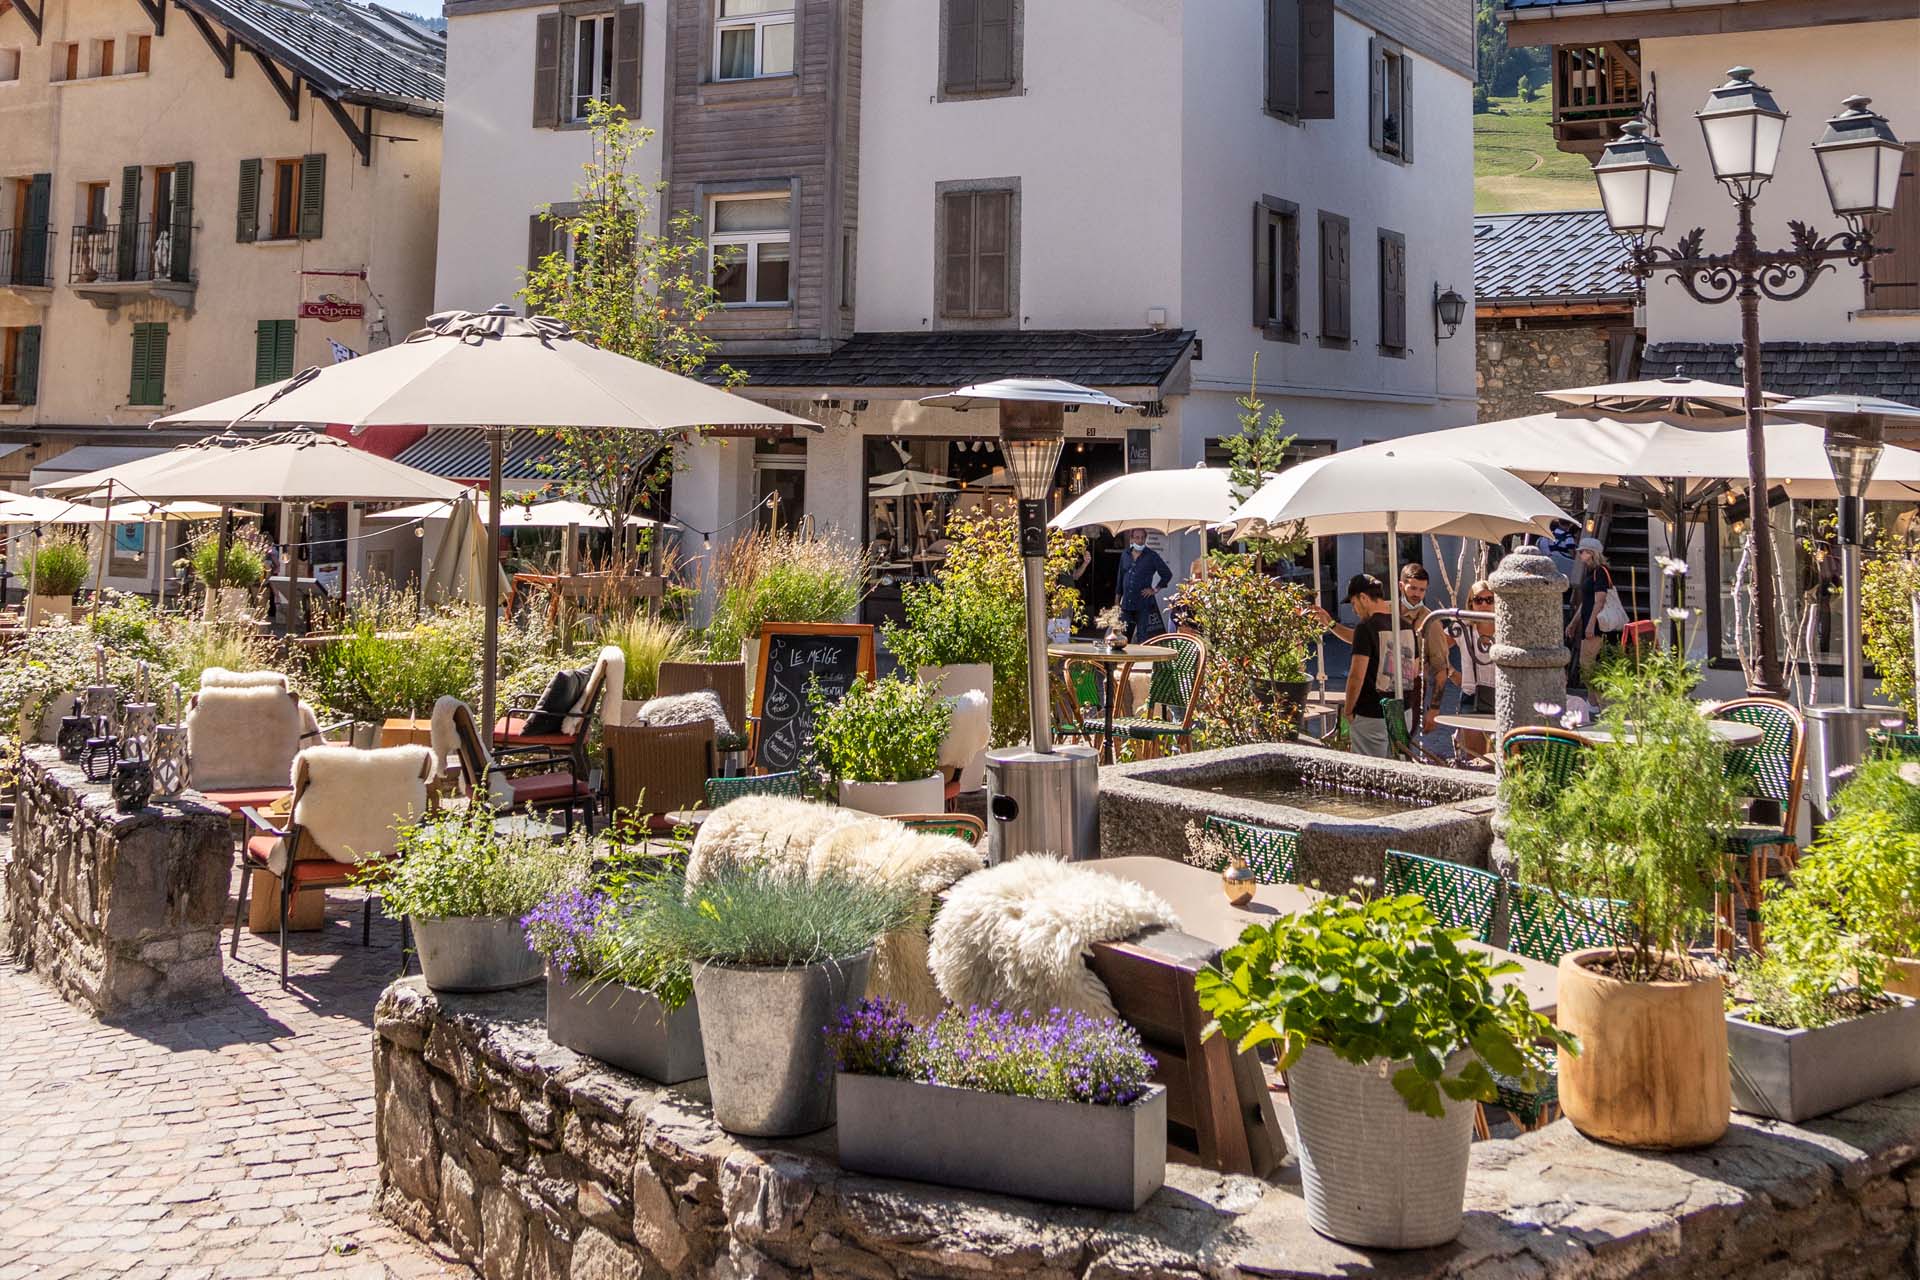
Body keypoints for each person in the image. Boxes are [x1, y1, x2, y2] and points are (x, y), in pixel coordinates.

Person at [1314, 561, 1448, 730]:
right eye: (1413, 588)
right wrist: (1331, 624)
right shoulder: (1385, 609)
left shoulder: (1429, 621)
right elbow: (1360, 639)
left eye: (1422, 590)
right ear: (1401, 586)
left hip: (1410, 689)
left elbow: (1441, 668)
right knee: (1387, 744)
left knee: (1398, 743)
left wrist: (1434, 709)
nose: (1417, 594)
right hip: (1376, 691)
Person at [1340, 574, 1414, 759]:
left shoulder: (1365, 628)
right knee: (1399, 771)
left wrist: (1348, 709)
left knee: (1370, 773)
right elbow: (1415, 669)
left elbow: (1357, 675)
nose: (1354, 610)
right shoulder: (1405, 625)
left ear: (1363, 598)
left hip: (1371, 712)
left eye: (1354, 603)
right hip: (1402, 710)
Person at [1446, 579, 1499, 759]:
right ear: (1471, 603)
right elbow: (1436, 649)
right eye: (1478, 600)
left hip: (1501, 696)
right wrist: (1451, 672)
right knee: (1475, 757)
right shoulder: (1462, 628)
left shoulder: (1506, 630)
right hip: (1471, 695)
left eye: (1489, 600)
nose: (1484, 604)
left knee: (1497, 757)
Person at [1568, 537, 1619, 688]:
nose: (1580, 555)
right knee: (1588, 664)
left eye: (1582, 551)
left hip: (1596, 625)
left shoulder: (1600, 572)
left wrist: (1590, 624)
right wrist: (1574, 623)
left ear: (1591, 553)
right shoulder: (1592, 572)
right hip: (1590, 623)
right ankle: (1594, 702)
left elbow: (1600, 600)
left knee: (1588, 664)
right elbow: (1587, 601)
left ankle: (1594, 702)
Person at [1114, 528, 1172, 643]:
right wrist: (1117, 601)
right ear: (1131, 539)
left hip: (1143, 603)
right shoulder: (1125, 554)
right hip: (1126, 604)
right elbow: (1120, 578)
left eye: (1142, 538)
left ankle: (1141, 661)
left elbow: (1167, 574)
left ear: (1145, 539)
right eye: (1137, 537)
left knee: (1143, 638)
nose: (1140, 540)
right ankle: (1123, 661)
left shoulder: (1151, 556)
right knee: (1122, 637)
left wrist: (1155, 589)